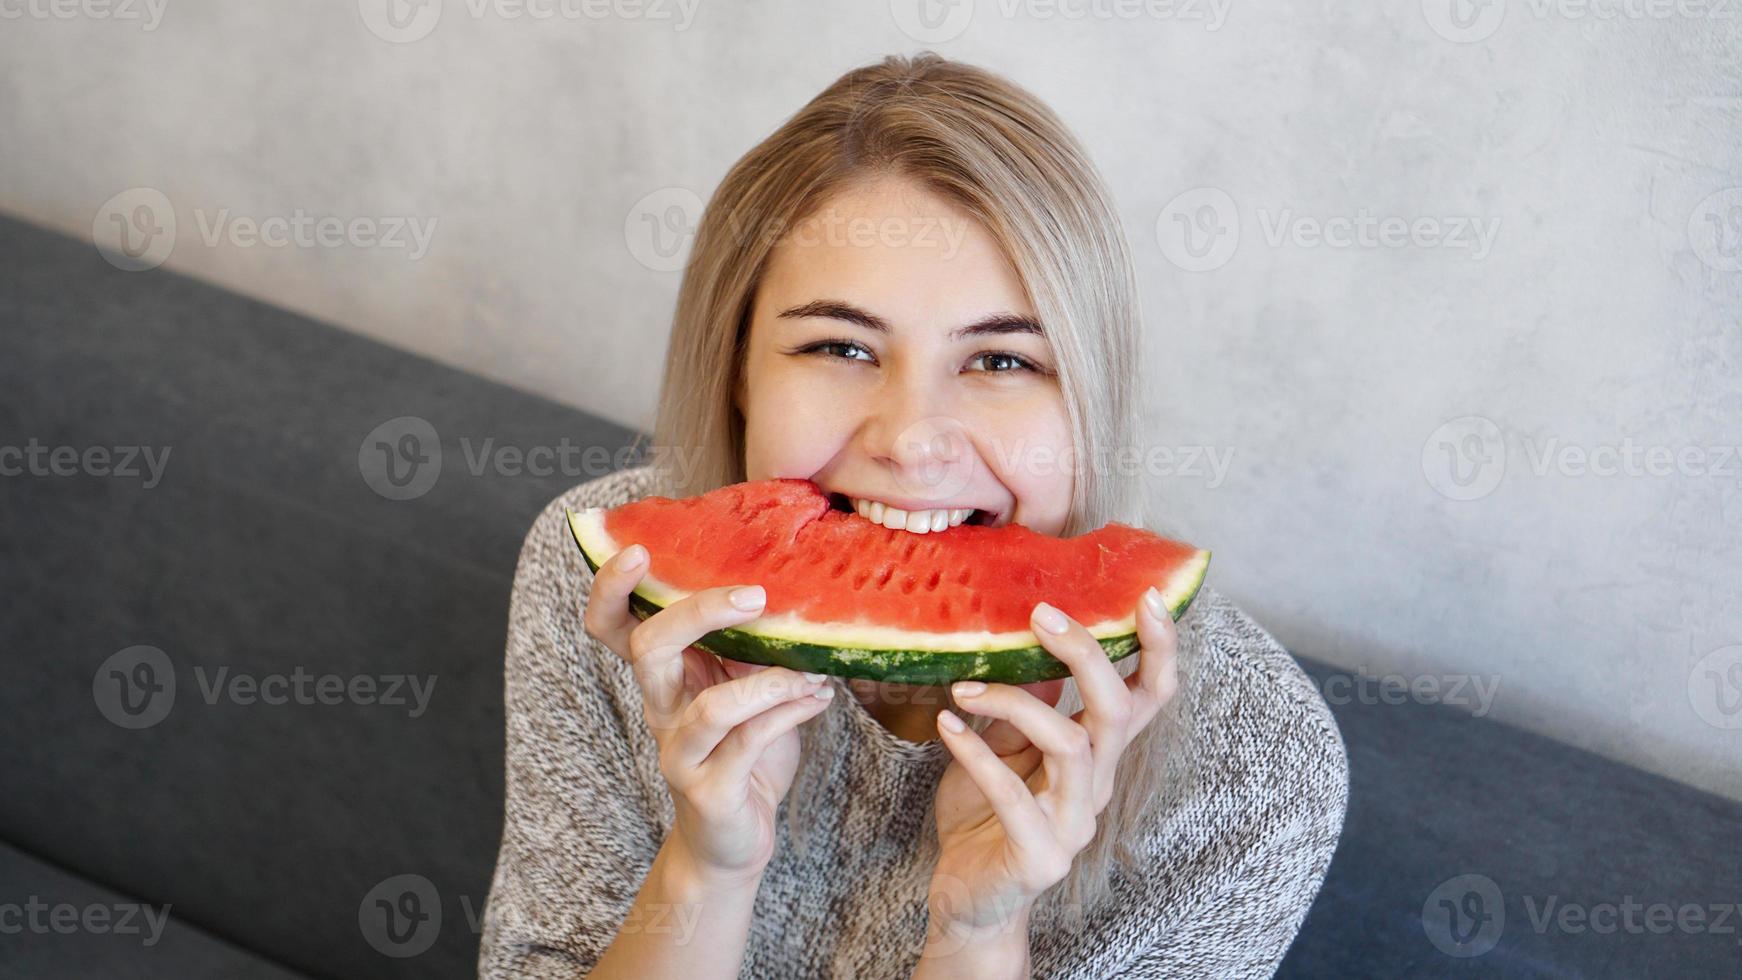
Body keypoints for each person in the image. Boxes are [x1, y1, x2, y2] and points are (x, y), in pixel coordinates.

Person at [479, 52, 1347, 979]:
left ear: (1090, 395)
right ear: (737, 367)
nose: (913, 439)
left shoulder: (1259, 770)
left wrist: (979, 936)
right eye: (842, 345)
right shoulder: (611, 593)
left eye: (1002, 361)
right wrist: (705, 870)